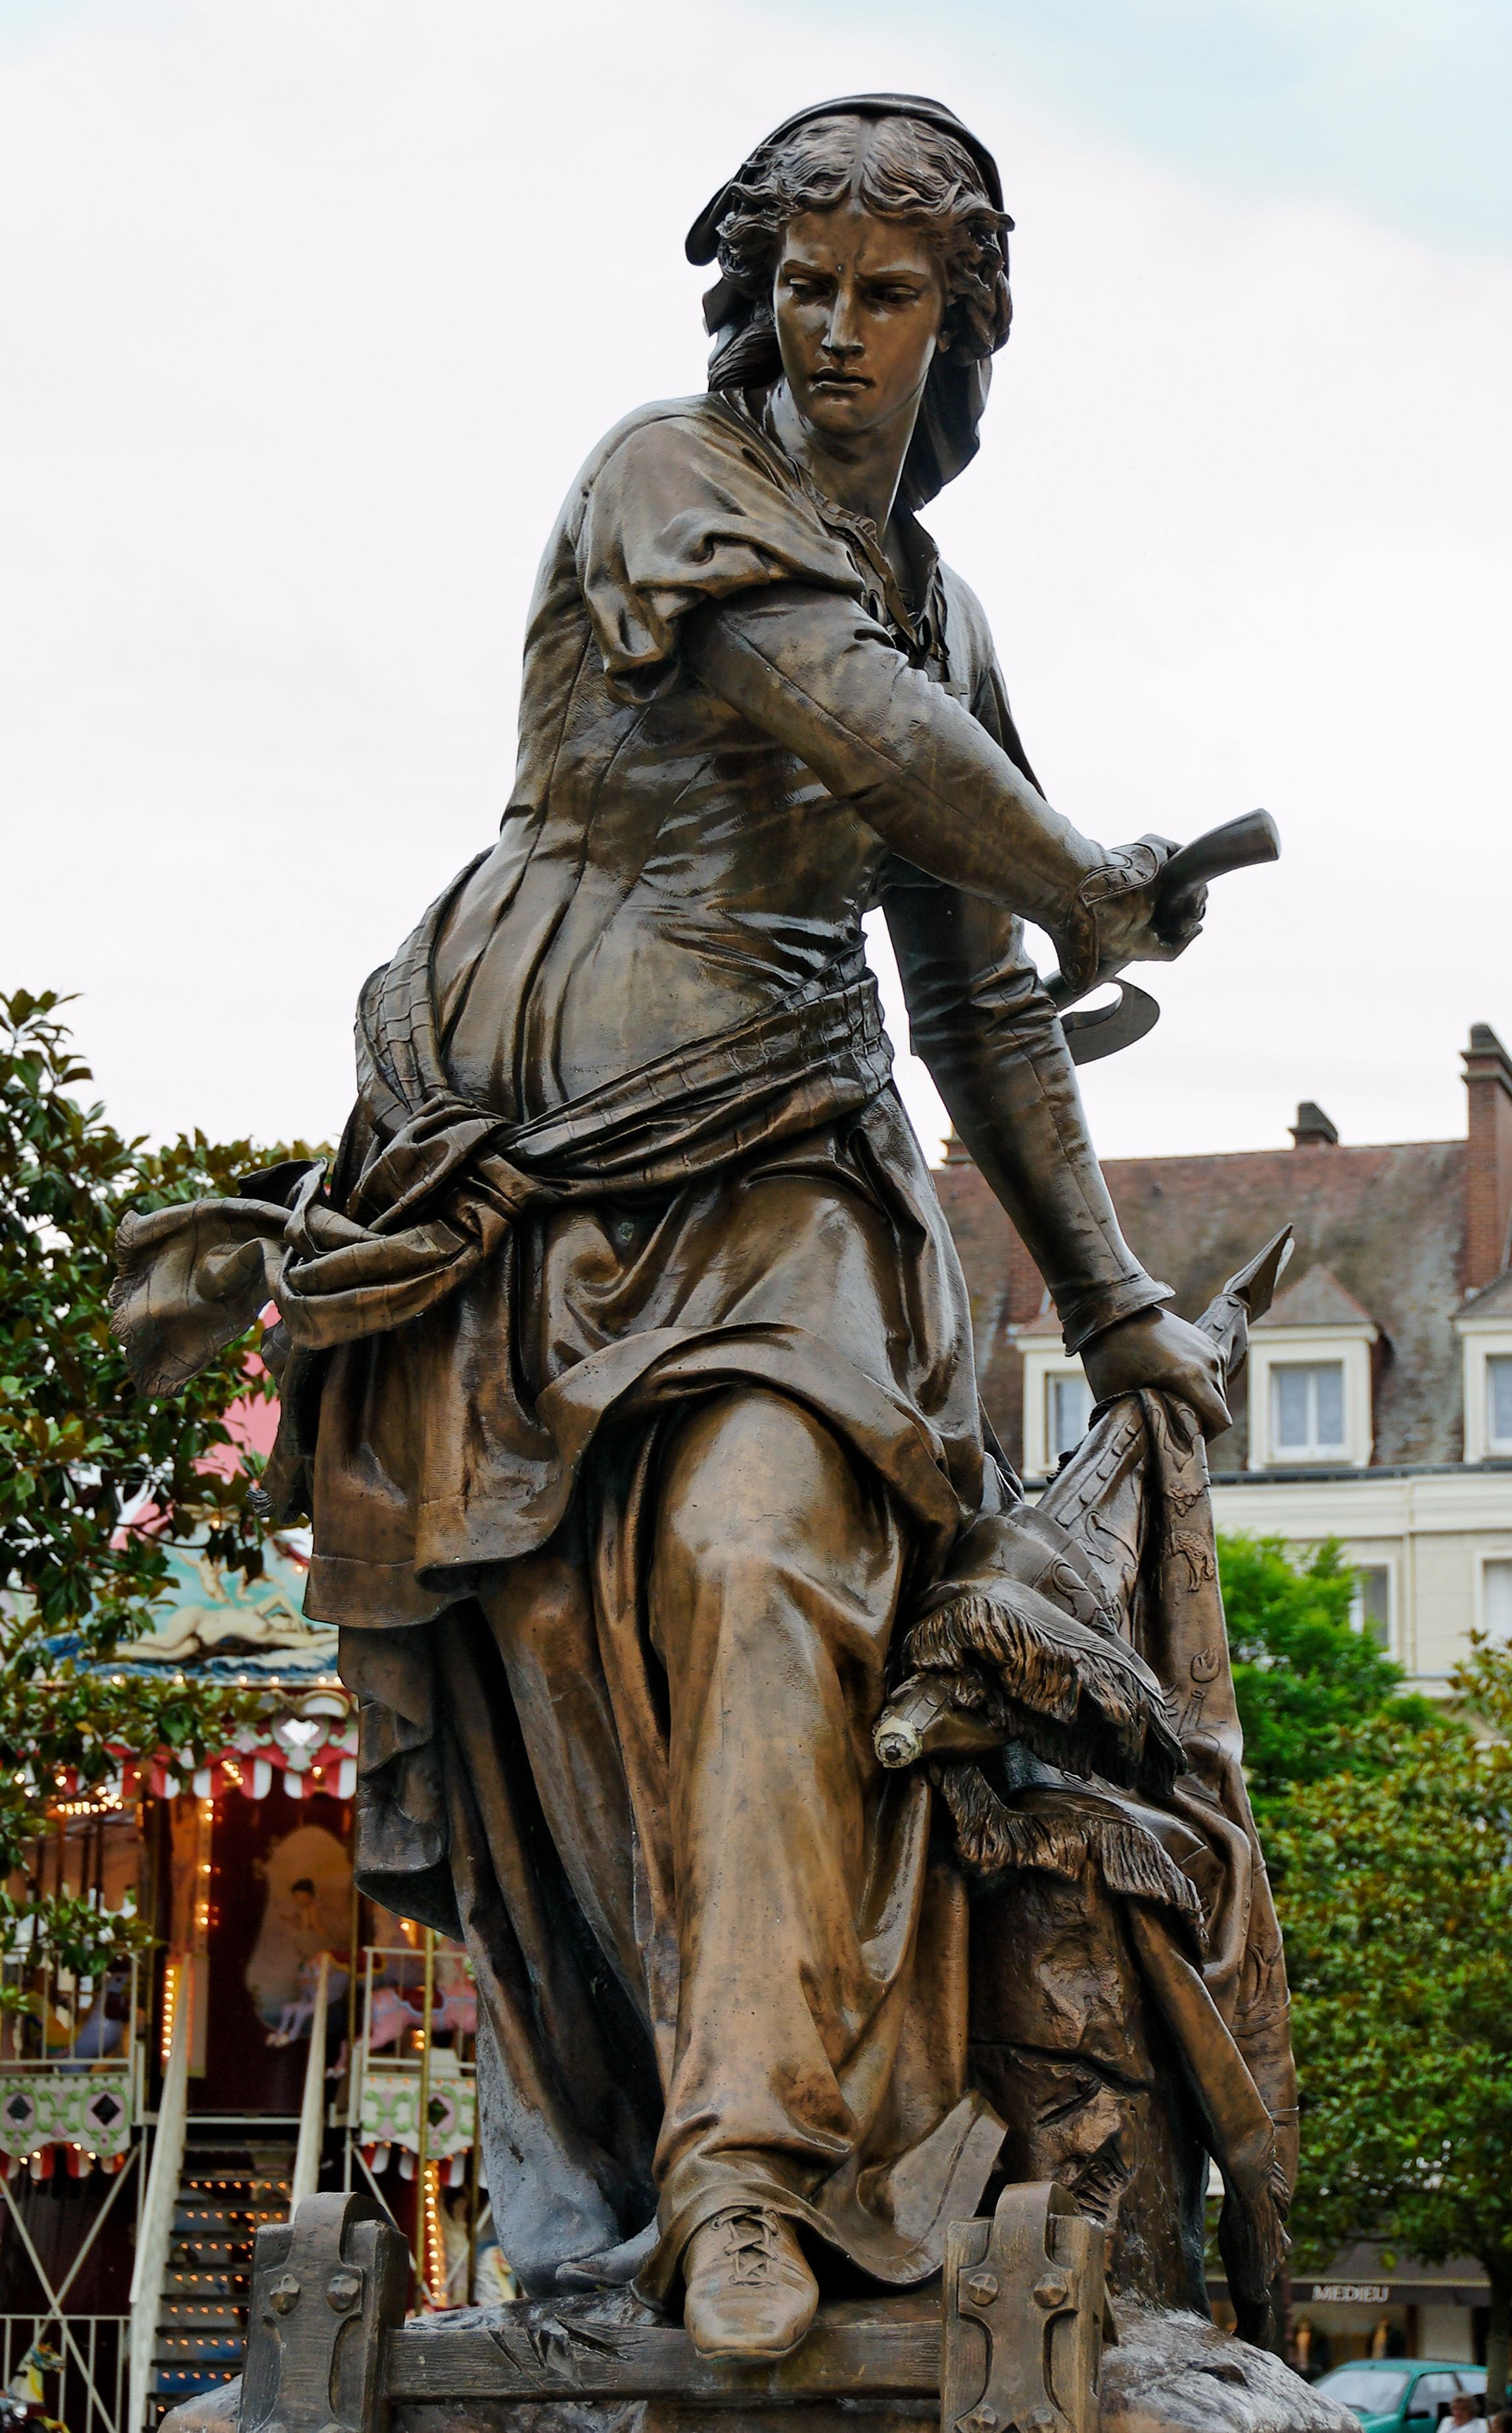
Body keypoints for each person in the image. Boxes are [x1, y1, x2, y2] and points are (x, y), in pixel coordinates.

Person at [114, 96, 1259, 2362]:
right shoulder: (668, 475)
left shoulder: (938, 607)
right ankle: (620, 2176)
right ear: (754, 293)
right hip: (512, 1225)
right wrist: (1087, 867)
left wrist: (1115, 1300)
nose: (836, 338)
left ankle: (752, 2180)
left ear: (963, 325)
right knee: (564, 1726)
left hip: (784, 1189)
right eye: (805, 288)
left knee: (760, 1568)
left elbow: (974, 992)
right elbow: (829, 717)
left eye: (887, 298)